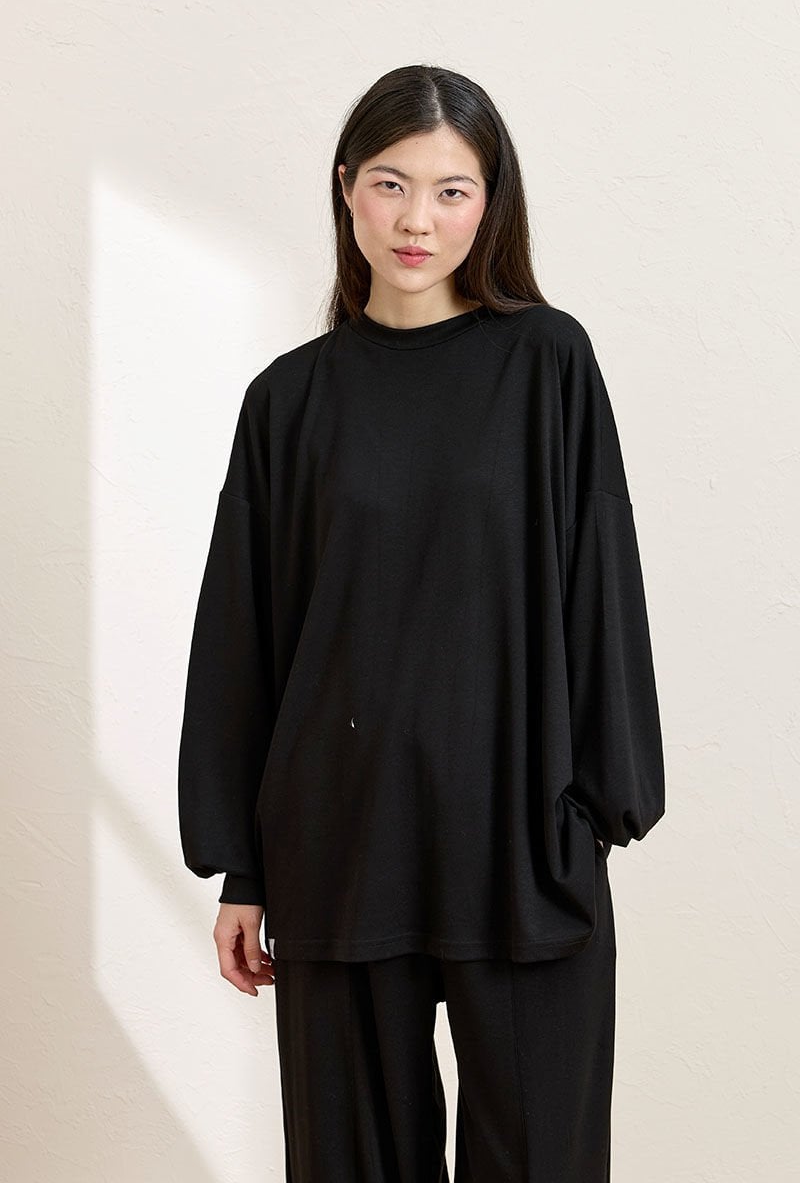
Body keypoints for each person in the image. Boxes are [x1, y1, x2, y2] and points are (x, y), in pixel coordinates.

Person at [177, 63, 665, 1182]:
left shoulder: (546, 362)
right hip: (338, 847)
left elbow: (599, 582)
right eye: (391, 184)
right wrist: (241, 869)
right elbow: (245, 639)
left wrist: (595, 812)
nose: (415, 220)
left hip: (522, 841)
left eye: (451, 191)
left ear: (490, 204)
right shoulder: (288, 401)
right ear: (346, 187)